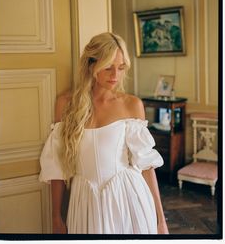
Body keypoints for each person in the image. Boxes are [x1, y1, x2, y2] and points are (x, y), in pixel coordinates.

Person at [39, 32, 169, 234]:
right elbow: (56, 166)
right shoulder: (66, 104)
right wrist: (56, 217)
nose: (115, 75)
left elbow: (146, 166)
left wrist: (161, 221)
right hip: (85, 203)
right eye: (108, 67)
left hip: (128, 200)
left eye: (120, 67)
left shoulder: (131, 105)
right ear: (91, 65)